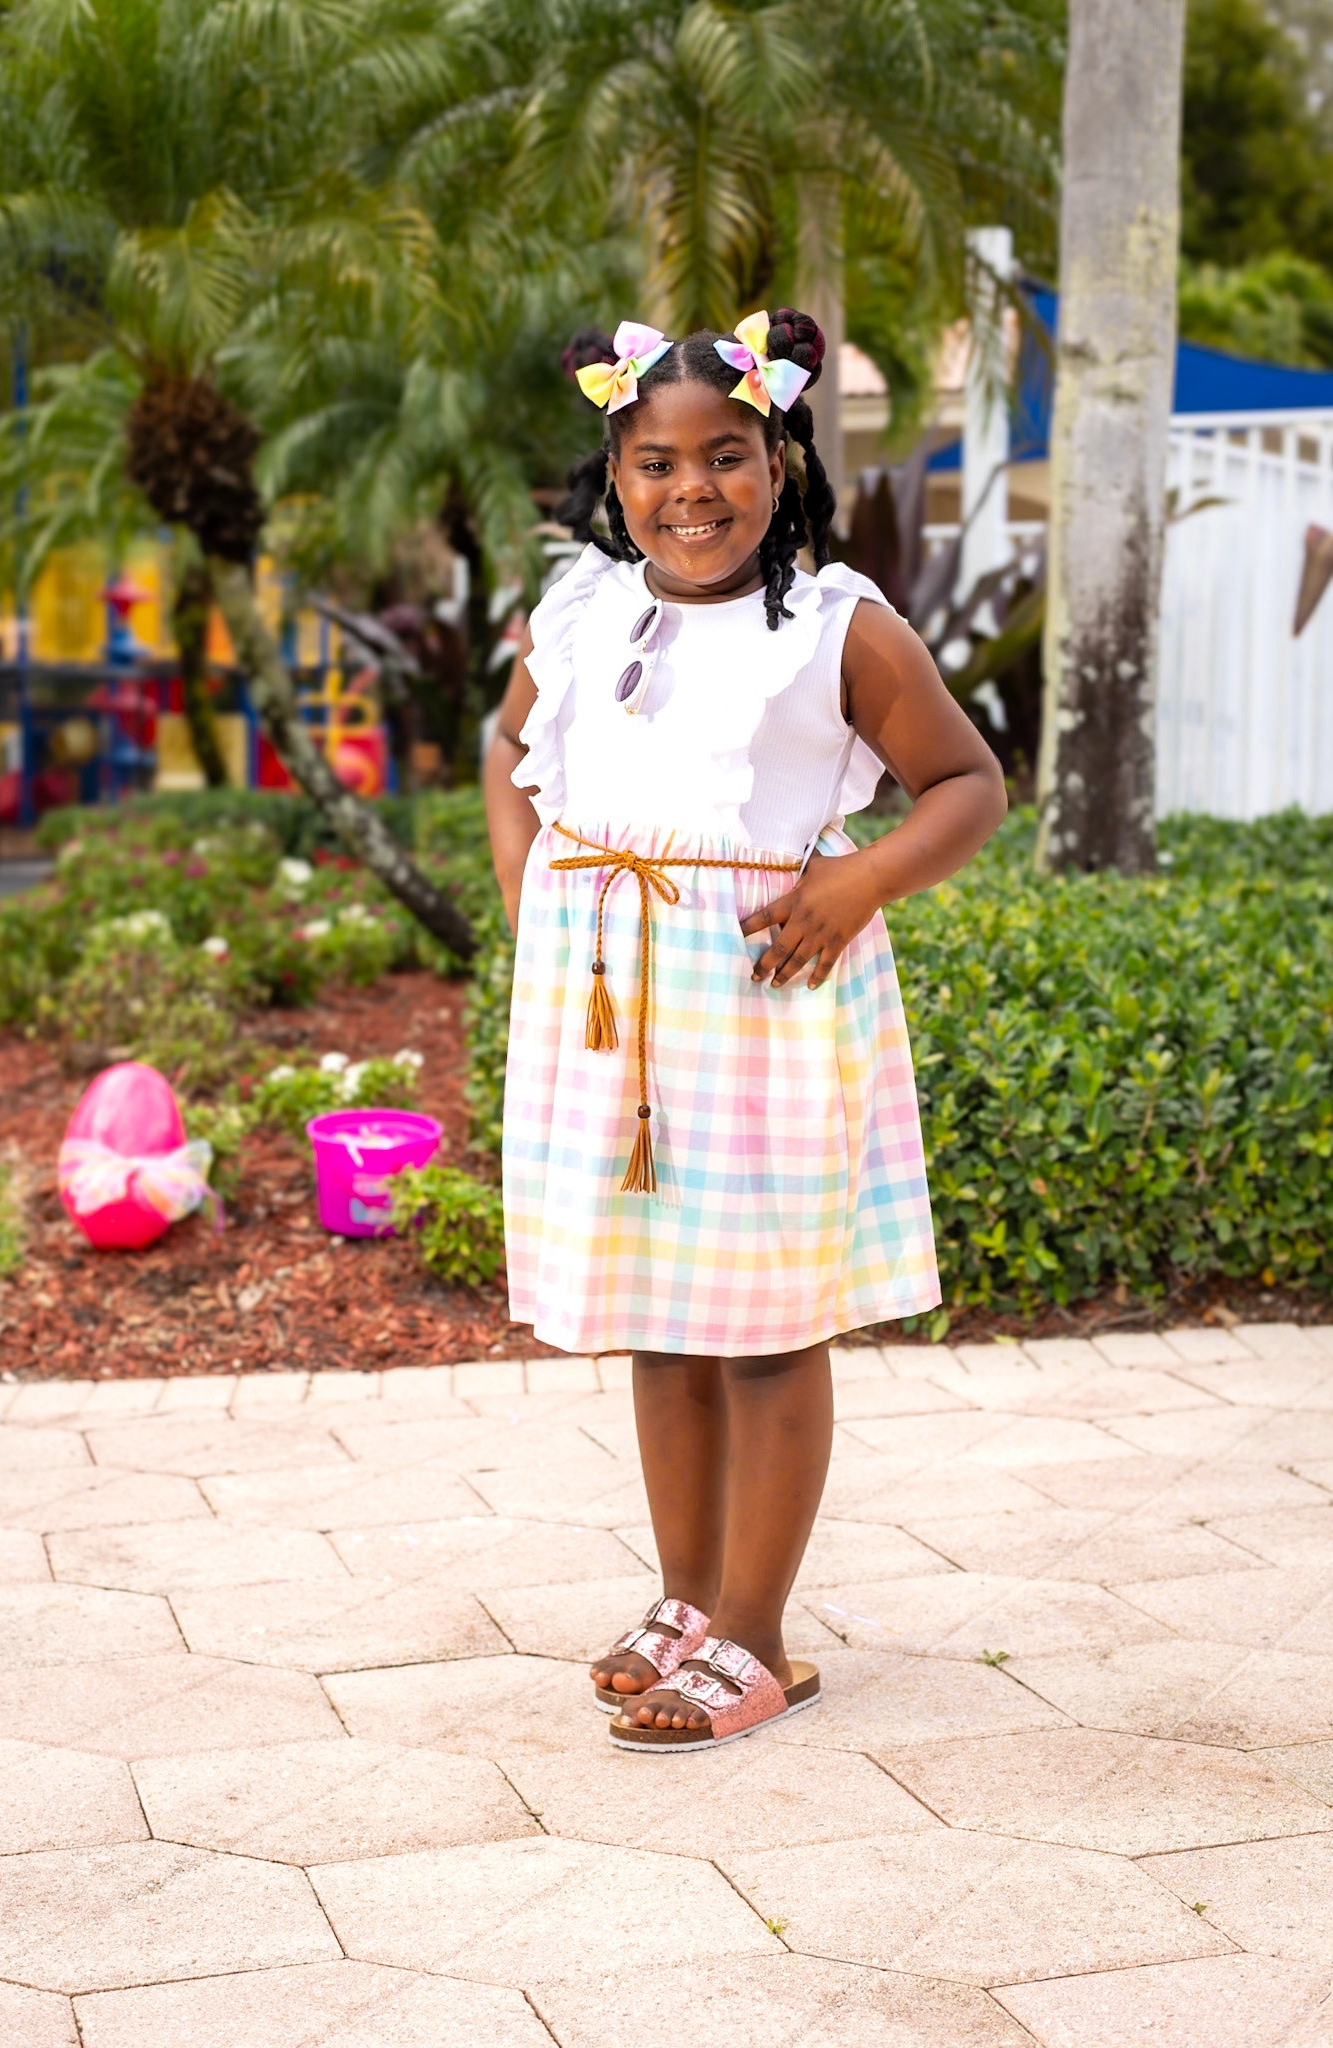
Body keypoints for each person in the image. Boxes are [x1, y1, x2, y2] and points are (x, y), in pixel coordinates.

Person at [483, 311, 1006, 1752]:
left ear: (780, 464)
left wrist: (857, 881)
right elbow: (510, 753)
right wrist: (535, 903)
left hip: (761, 1001)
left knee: (764, 1326)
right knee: (662, 1317)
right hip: (612, 1015)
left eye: (725, 455)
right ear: (615, 475)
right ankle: (690, 1597)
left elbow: (967, 784)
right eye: (656, 463)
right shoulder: (580, 613)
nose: (691, 489)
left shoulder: (836, 628)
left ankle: (759, 1635)